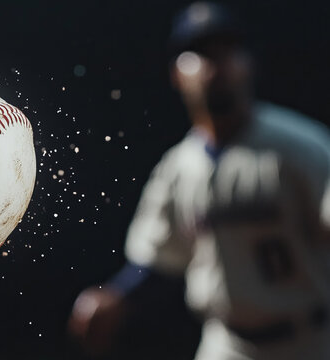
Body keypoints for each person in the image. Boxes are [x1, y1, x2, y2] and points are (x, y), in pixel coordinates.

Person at [68, 2, 330, 359]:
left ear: (247, 63)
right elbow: (158, 258)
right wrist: (116, 295)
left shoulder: (302, 147)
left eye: (227, 52)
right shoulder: (176, 168)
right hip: (227, 344)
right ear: (176, 74)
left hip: (310, 339)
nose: (216, 65)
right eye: (200, 53)